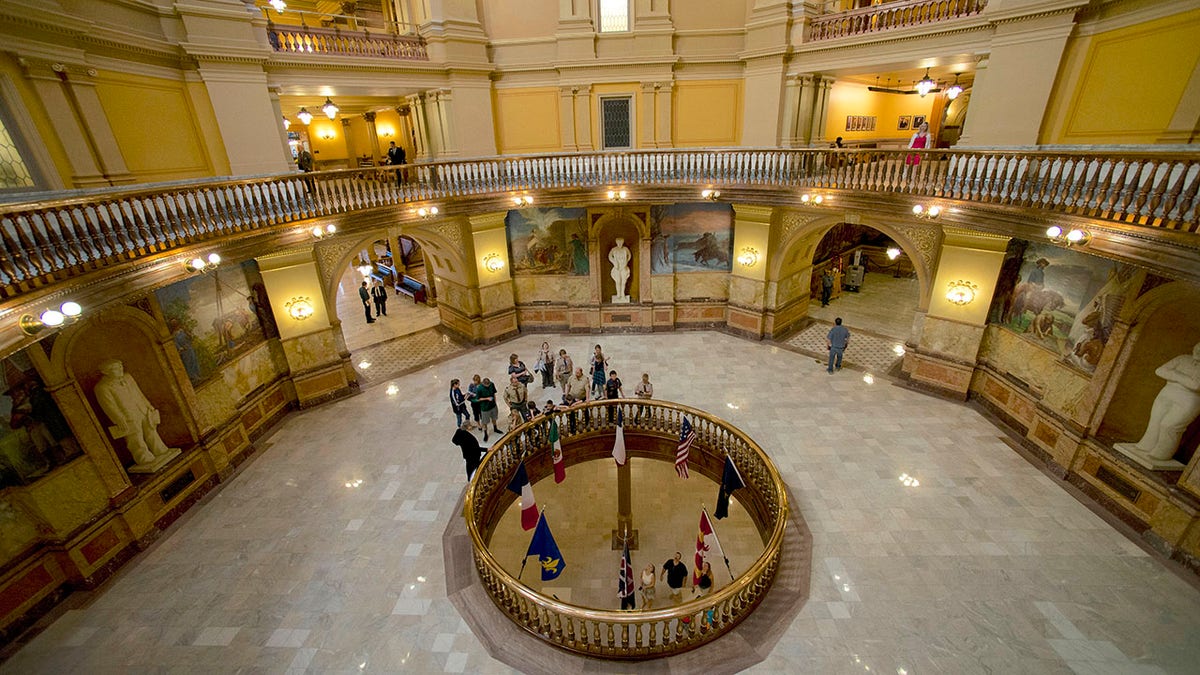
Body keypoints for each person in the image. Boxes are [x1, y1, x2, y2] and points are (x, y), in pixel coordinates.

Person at [1114, 343, 1200, 461]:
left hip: (1189, 400)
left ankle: (1163, 453)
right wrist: (1183, 378)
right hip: (1167, 393)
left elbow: (1196, 386)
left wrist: (1173, 375)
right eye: (1198, 347)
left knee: (1170, 426)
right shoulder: (1182, 358)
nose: (1198, 351)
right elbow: (1160, 370)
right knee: (1155, 420)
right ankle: (1146, 446)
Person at [93, 359, 176, 467]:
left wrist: (148, 405)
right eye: (116, 368)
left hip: (141, 409)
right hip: (127, 416)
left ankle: (159, 450)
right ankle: (143, 458)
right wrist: (118, 419)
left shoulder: (128, 377)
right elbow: (109, 406)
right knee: (135, 438)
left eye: (120, 366)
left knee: (151, 430)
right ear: (105, 372)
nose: (120, 369)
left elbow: (138, 393)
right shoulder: (102, 387)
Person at [564, 367, 590, 434]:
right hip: (572, 397)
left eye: (578, 373)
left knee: (585, 410)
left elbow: (587, 389)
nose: (576, 374)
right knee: (573, 412)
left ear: (581, 372)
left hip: (582, 397)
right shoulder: (572, 377)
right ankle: (574, 424)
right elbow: (568, 386)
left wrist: (587, 398)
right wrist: (566, 395)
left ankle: (587, 422)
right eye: (576, 372)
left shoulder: (585, 379)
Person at [475, 377, 501, 442]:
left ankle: (495, 428)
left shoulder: (492, 384)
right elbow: (478, 399)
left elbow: (494, 393)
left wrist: (495, 402)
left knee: (494, 418)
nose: (488, 386)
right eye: (487, 385)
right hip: (485, 408)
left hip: (493, 406)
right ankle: (485, 434)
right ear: (483, 384)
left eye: (488, 384)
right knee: (485, 422)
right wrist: (487, 398)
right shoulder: (479, 389)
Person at [609, 238, 631, 302]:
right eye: (618, 243)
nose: (620, 244)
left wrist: (626, 261)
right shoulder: (614, 249)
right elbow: (610, 256)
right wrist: (614, 262)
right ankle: (618, 294)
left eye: (621, 243)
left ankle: (622, 294)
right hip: (617, 268)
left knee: (624, 281)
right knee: (618, 281)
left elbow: (629, 255)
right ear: (616, 243)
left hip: (624, 267)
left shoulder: (625, 249)